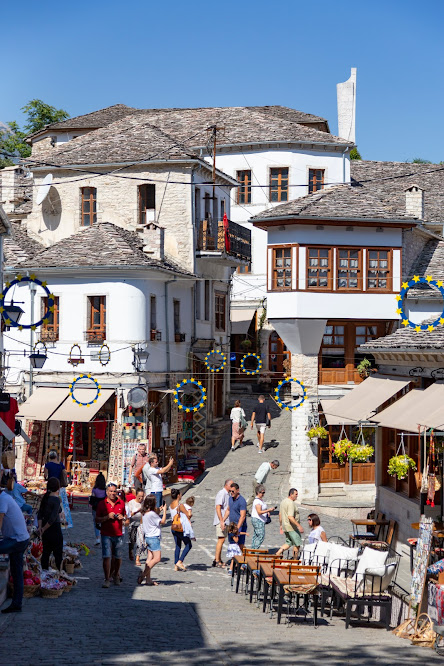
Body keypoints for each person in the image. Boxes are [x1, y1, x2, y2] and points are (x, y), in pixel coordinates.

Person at [0, 489, 30, 613]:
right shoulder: (5, 497)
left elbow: (0, 520)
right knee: (17, 573)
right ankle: (17, 604)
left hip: (17, 539)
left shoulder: (3, 499)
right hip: (20, 538)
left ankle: (17, 603)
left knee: (17, 572)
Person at [95, 482, 126, 588]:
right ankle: (107, 578)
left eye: (114, 491)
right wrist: (107, 517)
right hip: (106, 534)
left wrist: (123, 518)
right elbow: (97, 519)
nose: (113, 493)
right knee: (107, 557)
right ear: (107, 492)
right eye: (111, 491)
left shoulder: (121, 503)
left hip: (118, 534)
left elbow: (127, 519)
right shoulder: (102, 504)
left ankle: (116, 574)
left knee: (118, 556)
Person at [138, 495, 167, 586]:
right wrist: (165, 511)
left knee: (149, 558)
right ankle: (143, 574)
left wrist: (159, 510)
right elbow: (162, 521)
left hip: (148, 537)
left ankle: (148, 579)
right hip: (154, 538)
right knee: (157, 558)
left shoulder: (145, 513)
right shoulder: (152, 514)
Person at [37, 478, 63, 571]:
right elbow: (53, 518)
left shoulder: (45, 498)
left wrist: (40, 527)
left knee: (46, 552)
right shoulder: (55, 500)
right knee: (57, 553)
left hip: (45, 528)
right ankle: (59, 572)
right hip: (54, 528)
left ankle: (44, 572)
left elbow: (40, 514)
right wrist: (43, 528)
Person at [44, 451, 73, 529]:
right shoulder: (61, 465)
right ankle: (64, 522)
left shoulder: (47, 465)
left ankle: (50, 520)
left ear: (49, 457)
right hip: (59, 486)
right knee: (61, 504)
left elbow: (45, 476)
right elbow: (64, 474)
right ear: (56, 457)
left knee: (50, 503)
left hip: (51, 485)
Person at [276, 488, 304, 559]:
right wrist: (299, 526)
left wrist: (281, 525)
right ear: (291, 494)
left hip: (285, 526)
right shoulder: (290, 503)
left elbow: (280, 514)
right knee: (297, 544)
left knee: (288, 542)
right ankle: (294, 560)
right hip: (291, 527)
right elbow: (290, 517)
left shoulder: (283, 501)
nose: (297, 496)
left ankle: (278, 553)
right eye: (296, 494)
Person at [169, 489, 193, 571]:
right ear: (178, 495)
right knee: (188, 544)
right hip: (180, 528)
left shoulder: (171, 505)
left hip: (173, 527)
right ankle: (180, 561)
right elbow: (188, 515)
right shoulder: (180, 505)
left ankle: (176, 565)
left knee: (178, 546)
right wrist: (190, 513)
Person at [212, 478, 232, 568]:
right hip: (221, 521)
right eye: (231, 485)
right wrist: (221, 520)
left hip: (225, 520)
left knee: (222, 539)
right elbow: (218, 507)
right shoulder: (222, 493)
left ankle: (218, 559)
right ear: (227, 485)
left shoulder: (228, 494)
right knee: (221, 539)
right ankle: (217, 560)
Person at [251, 484, 275, 549]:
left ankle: (253, 550)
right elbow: (259, 512)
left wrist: (267, 512)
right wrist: (268, 510)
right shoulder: (257, 501)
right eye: (262, 492)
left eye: (264, 492)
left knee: (256, 535)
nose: (263, 494)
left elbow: (262, 510)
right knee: (261, 536)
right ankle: (255, 550)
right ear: (258, 492)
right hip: (258, 520)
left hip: (260, 520)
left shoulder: (260, 500)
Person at [126, 489, 144, 564]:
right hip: (132, 524)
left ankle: (137, 558)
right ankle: (130, 550)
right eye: (139, 496)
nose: (141, 498)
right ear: (136, 495)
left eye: (142, 496)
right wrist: (137, 511)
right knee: (132, 540)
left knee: (140, 542)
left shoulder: (144, 503)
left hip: (141, 524)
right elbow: (129, 515)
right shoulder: (131, 503)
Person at [89, 473, 106, 545]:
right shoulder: (105, 490)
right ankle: (103, 537)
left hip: (95, 508)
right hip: (103, 508)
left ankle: (97, 538)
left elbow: (92, 499)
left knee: (96, 523)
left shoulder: (94, 490)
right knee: (103, 523)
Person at [229, 483, 247, 547]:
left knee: (240, 544)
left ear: (237, 490)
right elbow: (228, 510)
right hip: (232, 526)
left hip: (239, 526)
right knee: (232, 544)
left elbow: (243, 516)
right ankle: (234, 557)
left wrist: (237, 528)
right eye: (230, 491)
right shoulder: (230, 499)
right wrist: (222, 520)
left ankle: (244, 556)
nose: (231, 493)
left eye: (233, 491)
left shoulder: (242, 501)